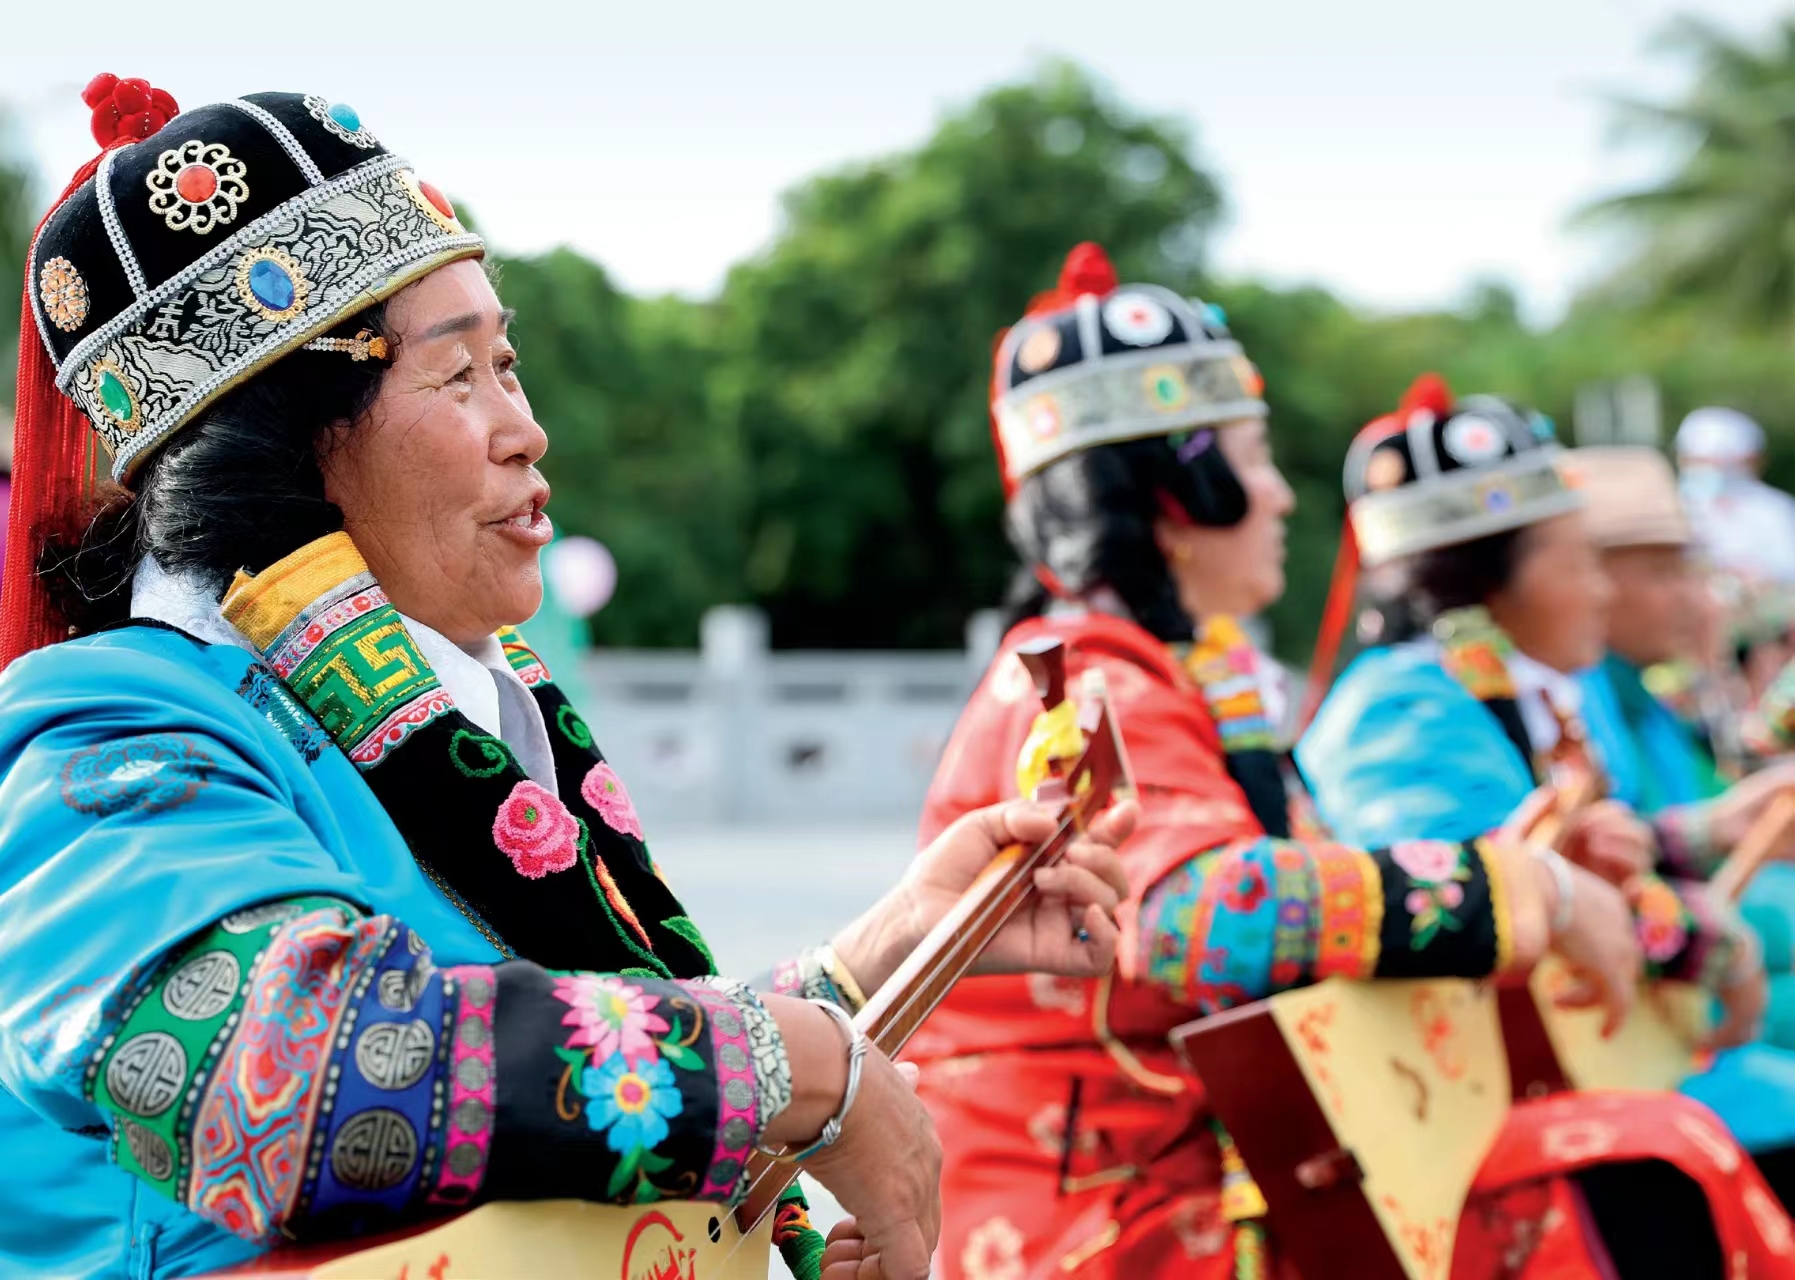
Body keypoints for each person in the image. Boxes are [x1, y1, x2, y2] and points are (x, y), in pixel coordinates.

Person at [0, 77, 1136, 1280]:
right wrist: (806, 1070)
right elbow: (294, 1079)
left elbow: (564, 1063)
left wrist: (895, 948)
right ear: (279, 443)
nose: (524, 428)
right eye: (458, 375)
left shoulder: (459, 709)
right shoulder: (105, 731)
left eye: (511, 364)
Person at [907, 251, 1786, 1279]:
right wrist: (1535, 882)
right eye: (1254, 456)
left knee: (1644, 1168)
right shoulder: (1089, 685)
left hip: (1247, 1148)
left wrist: (1545, 859)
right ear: (1179, 491)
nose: (1280, 494)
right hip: (1125, 1204)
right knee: (1634, 1181)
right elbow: (1206, 912)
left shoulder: (1171, 677)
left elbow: (1338, 876)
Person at [1298, 378, 1795, 1267]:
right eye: (1577, 564)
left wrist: (1704, 834)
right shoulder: (1398, 718)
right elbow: (1493, 904)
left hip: (1600, 1063)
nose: (1601, 593)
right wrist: (1710, 941)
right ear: (1489, 589)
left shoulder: (1517, 695)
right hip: (1498, 1111)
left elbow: (1579, 859)